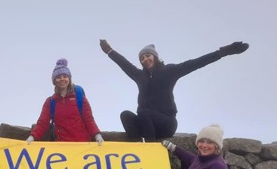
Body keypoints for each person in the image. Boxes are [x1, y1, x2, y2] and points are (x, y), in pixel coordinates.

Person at [99, 39, 249, 141]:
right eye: (142, 58)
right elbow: (124, 64)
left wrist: (223, 52)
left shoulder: (169, 71)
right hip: (147, 124)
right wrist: (110, 51)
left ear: (155, 57)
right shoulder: (140, 76)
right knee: (126, 115)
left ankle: (150, 152)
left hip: (166, 123)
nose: (145, 59)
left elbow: (195, 63)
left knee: (144, 113)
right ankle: (137, 149)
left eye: (148, 55)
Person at [27, 58, 104, 144]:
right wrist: (32, 137)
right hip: (61, 148)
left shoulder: (80, 98)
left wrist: (97, 135)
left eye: (65, 76)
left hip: (82, 145)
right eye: (58, 77)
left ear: (69, 79)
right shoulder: (50, 102)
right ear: (54, 81)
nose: (62, 79)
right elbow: (42, 123)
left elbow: (89, 120)